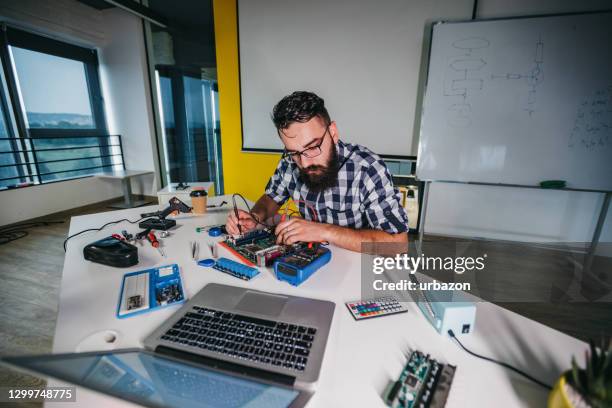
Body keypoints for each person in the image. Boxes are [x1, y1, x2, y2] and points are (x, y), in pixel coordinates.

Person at [226, 91, 408, 252]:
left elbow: (398, 244)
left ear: (333, 133)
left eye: (312, 147)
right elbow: (271, 198)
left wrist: (323, 231)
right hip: (312, 262)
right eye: (294, 153)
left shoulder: (368, 169)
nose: (304, 163)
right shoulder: (289, 162)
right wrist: (255, 216)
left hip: (360, 271)